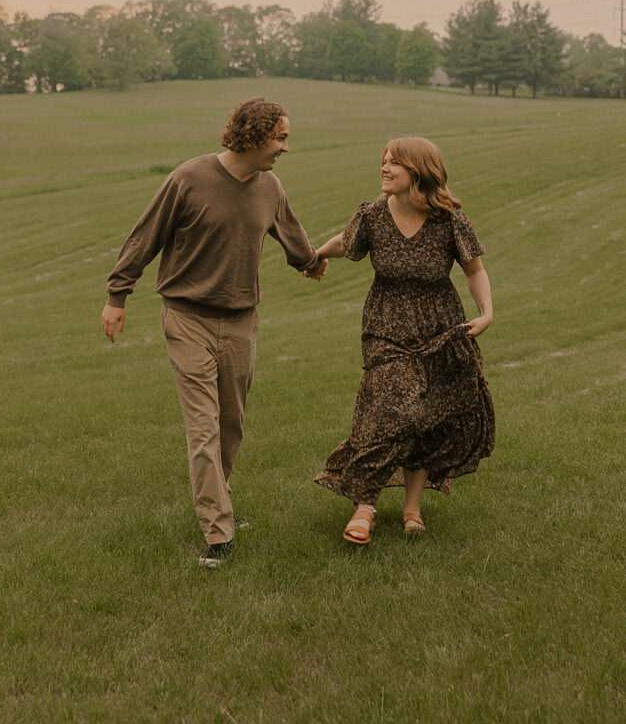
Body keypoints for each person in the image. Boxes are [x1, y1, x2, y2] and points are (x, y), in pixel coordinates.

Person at [101, 97, 327, 567]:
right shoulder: (189, 178)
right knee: (202, 427)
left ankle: (219, 503)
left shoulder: (271, 188)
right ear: (253, 135)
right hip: (187, 317)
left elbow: (292, 236)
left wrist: (310, 262)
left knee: (229, 425)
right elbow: (145, 236)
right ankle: (218, 533)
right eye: (281, 137)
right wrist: (117, 295)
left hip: (242, 319)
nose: (286, 147)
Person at [311, 136, 494, 543]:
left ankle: (412, 508)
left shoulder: (450, 219)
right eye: (383, 161)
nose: (384, 168)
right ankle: (366, 506)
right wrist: (317, 254)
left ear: (418, 171)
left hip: (438, 326)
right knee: (392, 406)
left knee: (424, 417)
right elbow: (347, 242)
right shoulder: (373, 215)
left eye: (394, 163)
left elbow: (473, 268)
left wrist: (487, 312)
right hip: (385, 326)